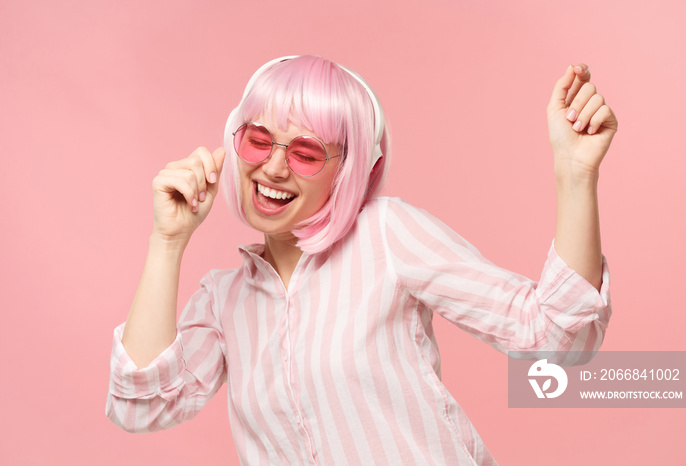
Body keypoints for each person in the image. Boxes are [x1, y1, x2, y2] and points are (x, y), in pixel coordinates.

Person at [106, 55, 616, 465]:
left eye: (306, 153)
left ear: (346, 169)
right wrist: (167, 241)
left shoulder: (387, 234)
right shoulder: (223, 301)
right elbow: (141, 406)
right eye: (259, 141)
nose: (275, 167)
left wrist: (576, 174)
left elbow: (555, 338)